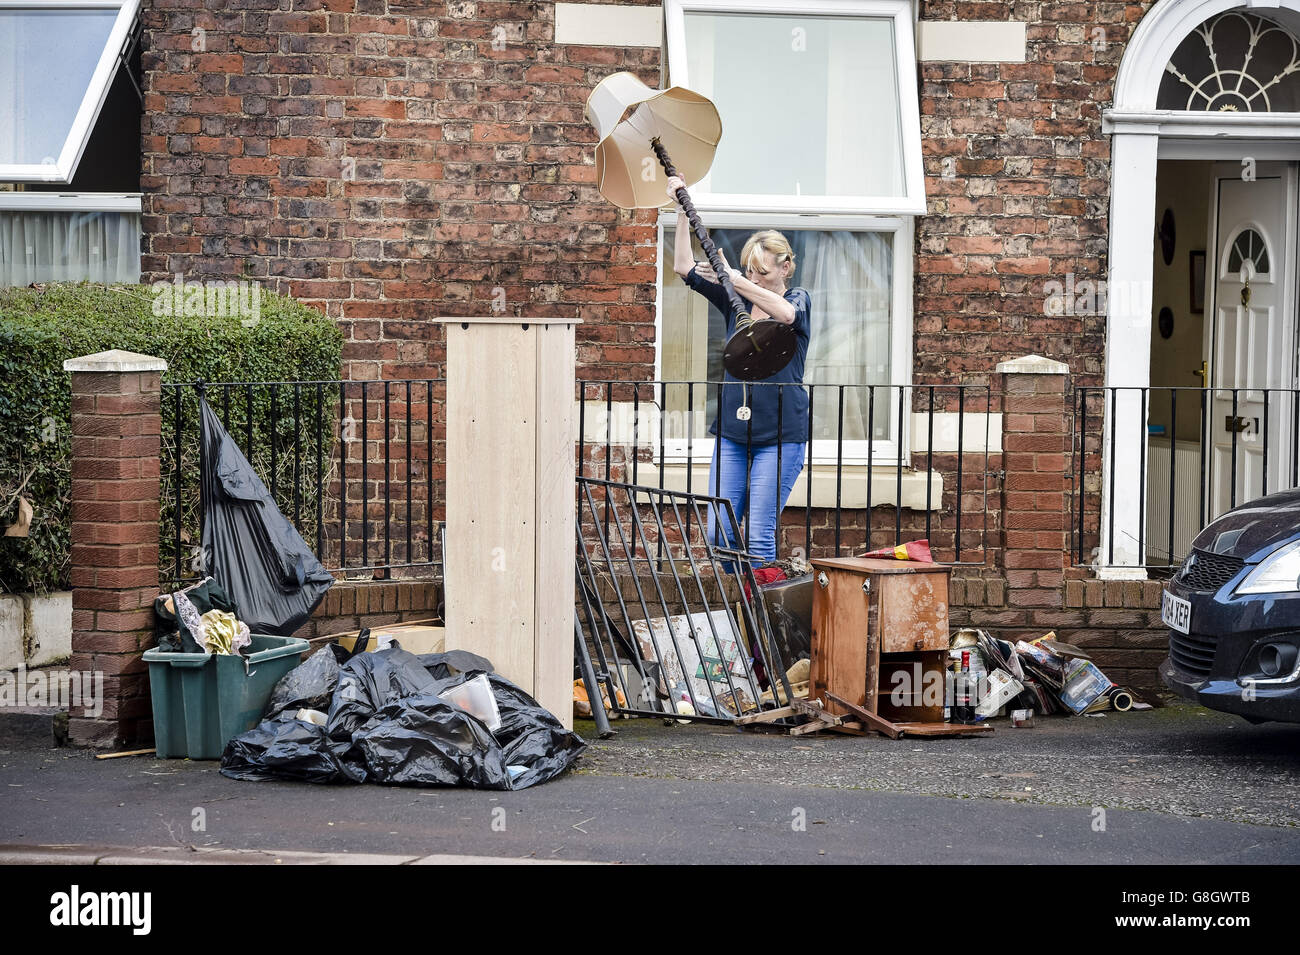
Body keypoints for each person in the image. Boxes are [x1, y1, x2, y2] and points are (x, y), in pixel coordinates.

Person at [666, 175, 810, 569]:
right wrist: (681, 210)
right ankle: (740, 610)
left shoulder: (797, 298)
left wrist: (738, 280)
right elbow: (682, 266)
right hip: (734, 432)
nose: (756, 278)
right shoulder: (736, 302)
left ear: (786, 267)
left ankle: (759, 627)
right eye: (750, 270)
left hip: (780, 436)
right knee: (719, 532)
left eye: (763, 272)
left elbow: (786, 315)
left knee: (760, 534)